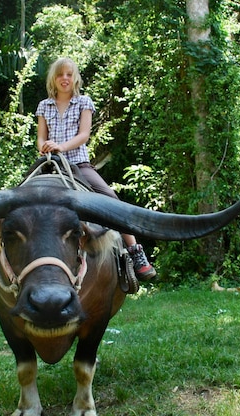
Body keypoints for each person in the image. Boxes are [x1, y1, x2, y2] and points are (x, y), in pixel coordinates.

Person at [35, 57, 156, 281]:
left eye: (69, 74)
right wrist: (45, 146)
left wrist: (61, 146)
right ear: (54, 77)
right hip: (50, 166)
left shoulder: (84, 102)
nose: (65, 79)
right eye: (60, 74)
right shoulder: (44, 105)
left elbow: (84, 135)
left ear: (75, 78)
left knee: (111, 198)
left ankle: (136, 252)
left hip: (78, 164)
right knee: (16, 196)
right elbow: (41, 137)